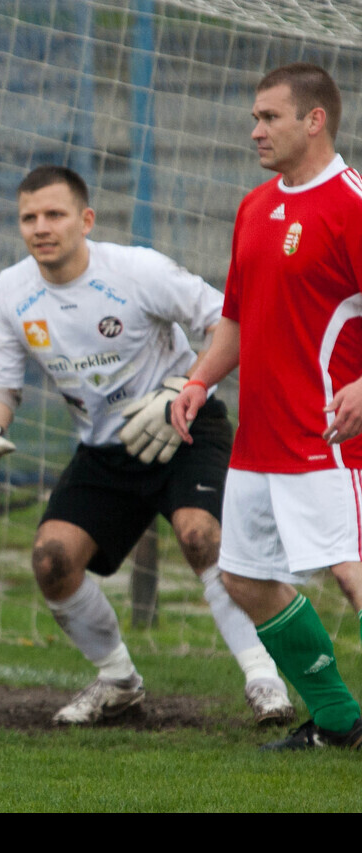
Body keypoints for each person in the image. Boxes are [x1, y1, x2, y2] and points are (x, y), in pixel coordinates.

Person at [0, 165, 295, 726]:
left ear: (86, 220)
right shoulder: (11, 291)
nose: (41, 227)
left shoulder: (138, 270)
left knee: (201, 536)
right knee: (52, 560)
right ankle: (118, 683)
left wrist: (183, 388)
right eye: (29, 218)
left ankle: (264, 681)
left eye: (55, 214)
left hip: (186, 426)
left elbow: (229, 321)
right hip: (106, 448)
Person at [171, 63, 362, 750]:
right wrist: (198, 380)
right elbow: (237, 318)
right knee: (244, 579)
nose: (255, 130)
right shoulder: (255, 207)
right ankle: (339, 722)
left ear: (315, 120)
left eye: (269, 117)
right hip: (259, 443)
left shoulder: (352, 203)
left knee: (352, 573)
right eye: (254, 117)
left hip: (329, 438)